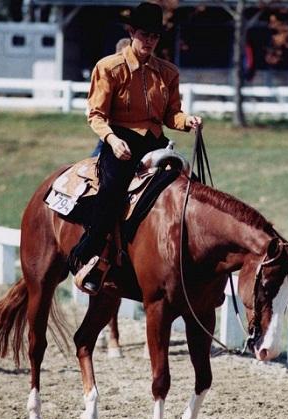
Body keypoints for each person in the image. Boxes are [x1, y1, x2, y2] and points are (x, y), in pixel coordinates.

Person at [70, 2, 202, 295]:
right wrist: (113, 141)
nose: (150, 41)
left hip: (154, 143)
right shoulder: (109, 68)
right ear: (132, 32)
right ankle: (93, 254)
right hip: (119, 140)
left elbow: (171, 115)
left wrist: (187, 120)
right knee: (113, 189)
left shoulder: (168, 72)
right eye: (145, 35)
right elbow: (96, 115)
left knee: (189, 188)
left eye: (155, 36)